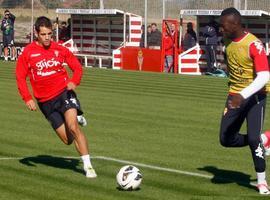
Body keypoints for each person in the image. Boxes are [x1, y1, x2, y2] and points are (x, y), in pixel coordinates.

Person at [15, 16, 97, 178]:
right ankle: (76, 118)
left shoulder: (59, 49)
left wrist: (74, 81)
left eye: (50, 34)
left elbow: (77, 68)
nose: (47, 38)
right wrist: (27, 98)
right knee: (67, 140)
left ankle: (88, 166)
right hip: (46, 103)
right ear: (36, 33)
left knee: (73, 127)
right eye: (44, 34)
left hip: (64, 93)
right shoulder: (28, 53)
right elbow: (20, 77)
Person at [219, 7, 270, 195]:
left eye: (223, 26)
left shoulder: (254, 45)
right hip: (234, 95)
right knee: (226, 139)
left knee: (254, 138)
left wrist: (243, 94)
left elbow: (264, 76)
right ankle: (264, 139)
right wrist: (236, 93)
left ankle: (262, 182)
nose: (220, 29)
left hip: (255, 96)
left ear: (235, 24)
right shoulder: (226, 40)